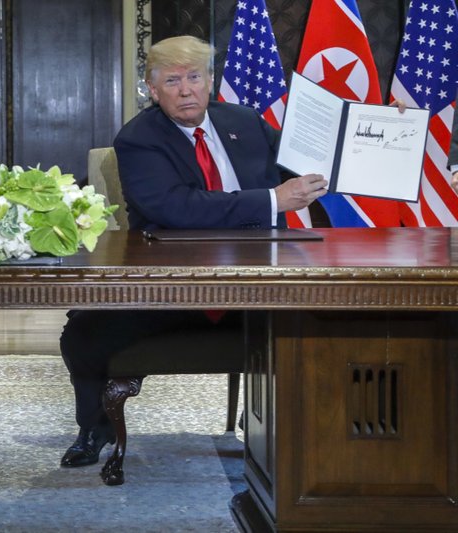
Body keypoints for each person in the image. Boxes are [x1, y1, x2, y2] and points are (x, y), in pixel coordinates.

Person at [59, 35, 328, 468]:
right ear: (151, 87)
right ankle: (94, 428)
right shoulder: (138, 139)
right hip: (173, 284)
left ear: (210, 80)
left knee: (329, 318)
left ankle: (284, 427)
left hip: (258, 278)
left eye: (194, 77)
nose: (185, 89)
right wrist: (273, 200)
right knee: (84, 333)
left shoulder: (245, 121)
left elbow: (312, 160)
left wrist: (385, 135)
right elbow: (175, 208)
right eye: (172, 80)